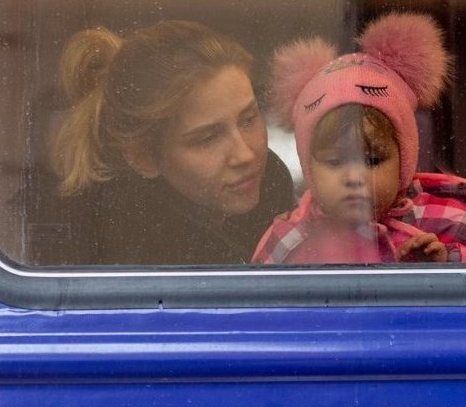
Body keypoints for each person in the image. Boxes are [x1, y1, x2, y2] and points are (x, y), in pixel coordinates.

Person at [252, 13, 466, 265]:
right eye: (335, 161)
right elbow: (254, 298)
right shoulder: (292, 238)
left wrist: (448, 259)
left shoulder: (441, 217)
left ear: (404, 159)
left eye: (373, 160)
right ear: (309, 167)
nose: (354, 177)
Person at [22, 20, 293, 265]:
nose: (245, 155)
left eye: (248, 119)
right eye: (207, 138)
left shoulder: (272, 188)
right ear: (143, 158)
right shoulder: (126, 253)